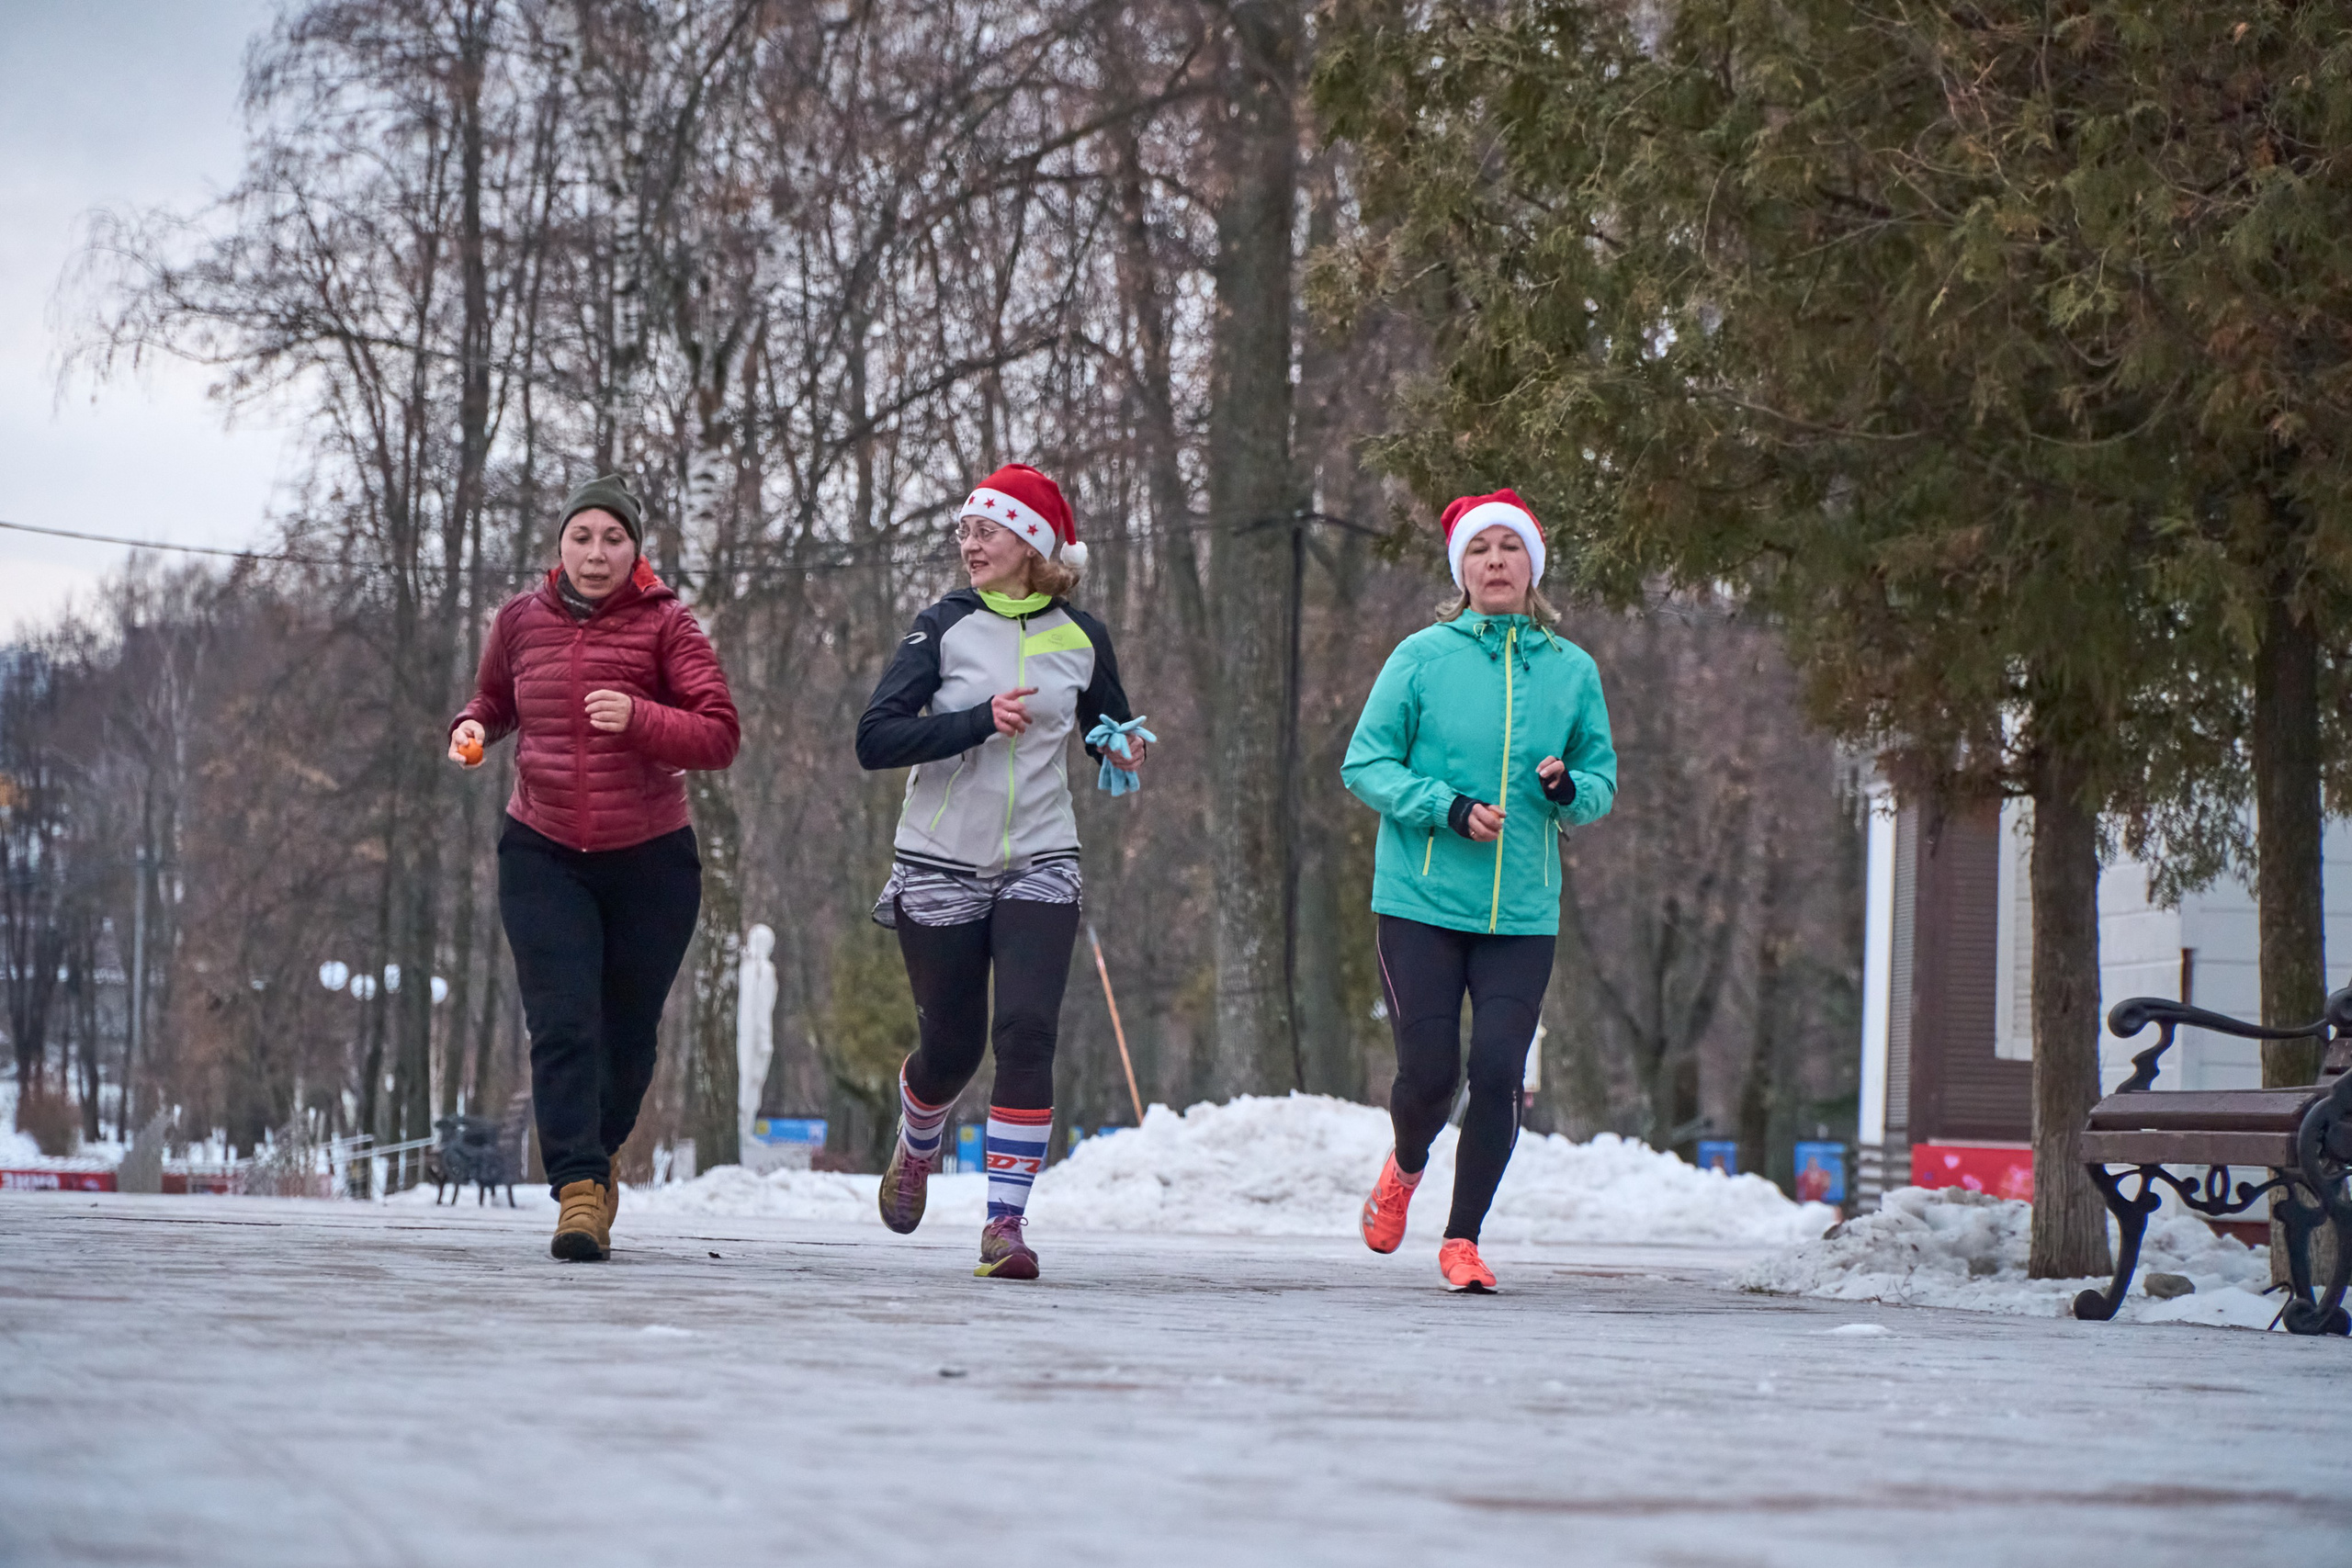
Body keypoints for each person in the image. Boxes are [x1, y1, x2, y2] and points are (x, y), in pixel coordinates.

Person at [854, 463, 1147, 1280]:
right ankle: (918, 1141)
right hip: (940, 859)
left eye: (986, 529)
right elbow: (875, 738)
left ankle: (1004, 1225)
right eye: (965, 530)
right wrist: (978, 721)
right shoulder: (941, 626)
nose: (968, 542)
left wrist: (1117, 747)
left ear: (1033, 544)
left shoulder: (1082, 637)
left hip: (1043, 857)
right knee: (951, 1048)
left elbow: (1103, 724)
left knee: (1027, 1032)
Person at [448, 475, 740, 1262]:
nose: (596, 553)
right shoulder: (518, 620)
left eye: (613, 538)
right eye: (582, 537)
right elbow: (496, 698)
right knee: (563, 1021)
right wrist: (473, 725)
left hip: (650, 860)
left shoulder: (668, 624)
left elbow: (719, 734)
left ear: (635, 549)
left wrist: (639, 716)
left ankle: (600, 1153)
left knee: (628, 1036)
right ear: (560, 545)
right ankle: (578, 1188)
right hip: (542, 850)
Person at [1340, 490, 1617, 1292]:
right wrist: (1447, 807)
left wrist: (1568, 790)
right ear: (1460, 569)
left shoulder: (1572, 671)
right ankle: (1405, 1164)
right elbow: (1365, 763)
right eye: (1480, 549)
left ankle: (1462, 1238)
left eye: (1510, 548)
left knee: (1497, 1070)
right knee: (1429, 1074)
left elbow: (1600, 781)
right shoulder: (1421, 657)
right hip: (1421, 902)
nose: (1495, 561)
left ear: (1534, 566)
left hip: (1522, 911)